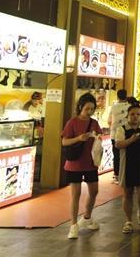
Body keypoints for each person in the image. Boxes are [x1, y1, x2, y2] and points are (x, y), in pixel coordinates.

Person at [62, 93, 102, 239]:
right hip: (75, 163)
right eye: (87, 109)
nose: (89, 112)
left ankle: (87, 217)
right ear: (80, 107)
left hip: (91, 163)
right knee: (76, 194)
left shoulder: (94, 123)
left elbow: (99, 136)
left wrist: (97, 138)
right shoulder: (72, 122)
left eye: (92, 109)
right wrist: (79, 138)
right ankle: (73, 225)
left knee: (94, 191)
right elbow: (64, 142)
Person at [114, 103, 140, 234]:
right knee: (127, 193)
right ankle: (128, 221)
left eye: (138, 114)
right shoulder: (122, 129)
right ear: (127, 116)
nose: (135, 117)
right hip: (127, 163)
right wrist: (131, 140)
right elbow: (118, 144)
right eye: (132, 114)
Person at [107, 89, 129, 184]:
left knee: (116, 155)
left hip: (114, 134)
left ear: (117, 97)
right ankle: (125, 174)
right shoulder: (129, 107)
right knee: (126, 155)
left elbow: (109, 121)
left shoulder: (113, 107)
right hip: (126, 134)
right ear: (126, 96)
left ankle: (117, 175)